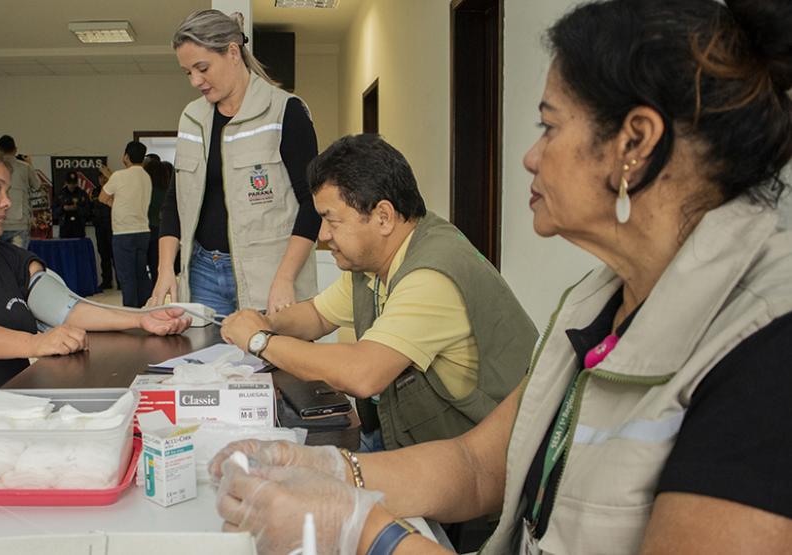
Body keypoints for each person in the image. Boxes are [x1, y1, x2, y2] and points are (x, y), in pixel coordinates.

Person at [210, 0, 792, 553]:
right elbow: (480, 464)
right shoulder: (595, 302)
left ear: (634, 143)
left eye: (548, 127)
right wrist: (334, 470)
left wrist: (360, 528)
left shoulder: (765, 355)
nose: (530, 157)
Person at [222, 134, 537, 452]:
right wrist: (262, 322)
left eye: (331, 219)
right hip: (405, 440)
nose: (323, 234)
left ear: (383, 217)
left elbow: (362, 373)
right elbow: (317, 315)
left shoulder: (432, 275)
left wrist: (261, 341)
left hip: (480, 464)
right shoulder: (374, 260)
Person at [0, 145, 192, 433]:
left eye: (7, 191)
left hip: (4, 419)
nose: (7, 201)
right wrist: (34, 343)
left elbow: (65, 309)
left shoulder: (9, 258)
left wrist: (141, 318)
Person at [150, 9, 321, 314]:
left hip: (269, 274)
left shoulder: (284, 112)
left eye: (202, 68)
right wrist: (165, 270)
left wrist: (285, 278)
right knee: (206, 361)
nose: (195, 81)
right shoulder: (192, 118)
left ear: (232, 52)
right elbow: (176, 202)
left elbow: (313, 204)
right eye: (188, 72)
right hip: (203, 274)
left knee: (272, 360)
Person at [98, 141, 152, 307]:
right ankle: (145, 310)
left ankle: (131, 314)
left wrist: (114, 203)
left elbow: (102, 197)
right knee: (141, 274)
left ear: (126, 156)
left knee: (127, 277)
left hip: (123, 233)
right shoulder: (146, 176)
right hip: (143, 231)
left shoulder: (118, 176)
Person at [0, 134, 40, 247]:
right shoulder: (25, 167)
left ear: (0, 150)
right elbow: (37, 185)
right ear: (15, 149)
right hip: (20, 224)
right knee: (19, 261)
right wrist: (31, 164)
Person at [143, 157, 171, 289]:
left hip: (145, 229)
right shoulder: (167, 192)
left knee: (142, 267)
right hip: (163, 231)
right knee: (157, 267)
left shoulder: (145, 191)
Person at [92, 170, 114, 289]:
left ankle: (120, 282)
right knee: (104, 255)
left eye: (105, 177)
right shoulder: (95, 191)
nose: (103, 179)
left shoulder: (113, 191)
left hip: (111, 227)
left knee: (114, 255)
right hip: (99, 227)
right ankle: (107, 281)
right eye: (101, 177)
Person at [53, 171, 90, 239]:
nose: (72, 186)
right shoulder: (60, 194)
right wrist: (63, 208)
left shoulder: (82, 194)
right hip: (65, 227)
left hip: (79, 227)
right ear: (66, 182)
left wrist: (77, 208)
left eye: (74, 183)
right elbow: (54, 212)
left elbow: (88, 212)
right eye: (70, 183)